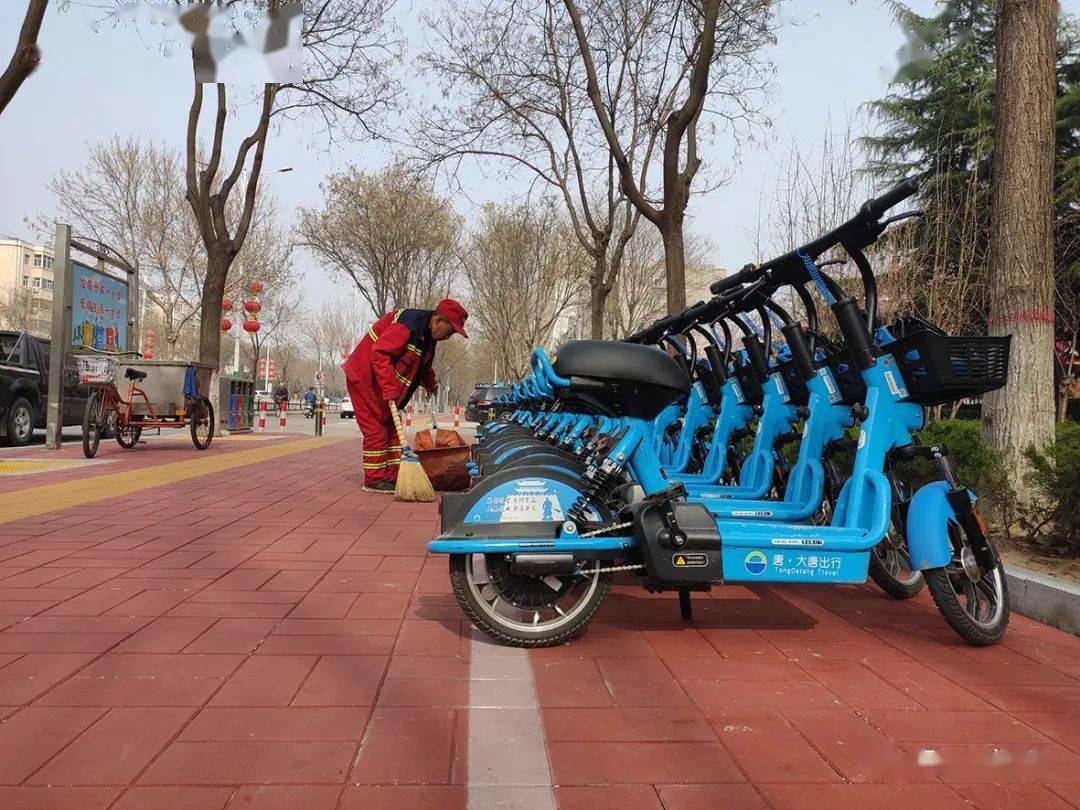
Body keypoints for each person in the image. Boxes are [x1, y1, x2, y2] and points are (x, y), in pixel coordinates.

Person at [342, 299, 468, 493]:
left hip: (381, 385)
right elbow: (380, 353)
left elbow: (423, 367)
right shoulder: (408, 324)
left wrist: (431, 384)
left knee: (393, 429)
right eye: (450, 331)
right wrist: (390, 389)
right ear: (437, 320)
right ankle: (374, 479)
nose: (448, 337)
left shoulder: (428, 340)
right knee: (377, 429)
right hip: (365, 379)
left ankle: (393, 475)